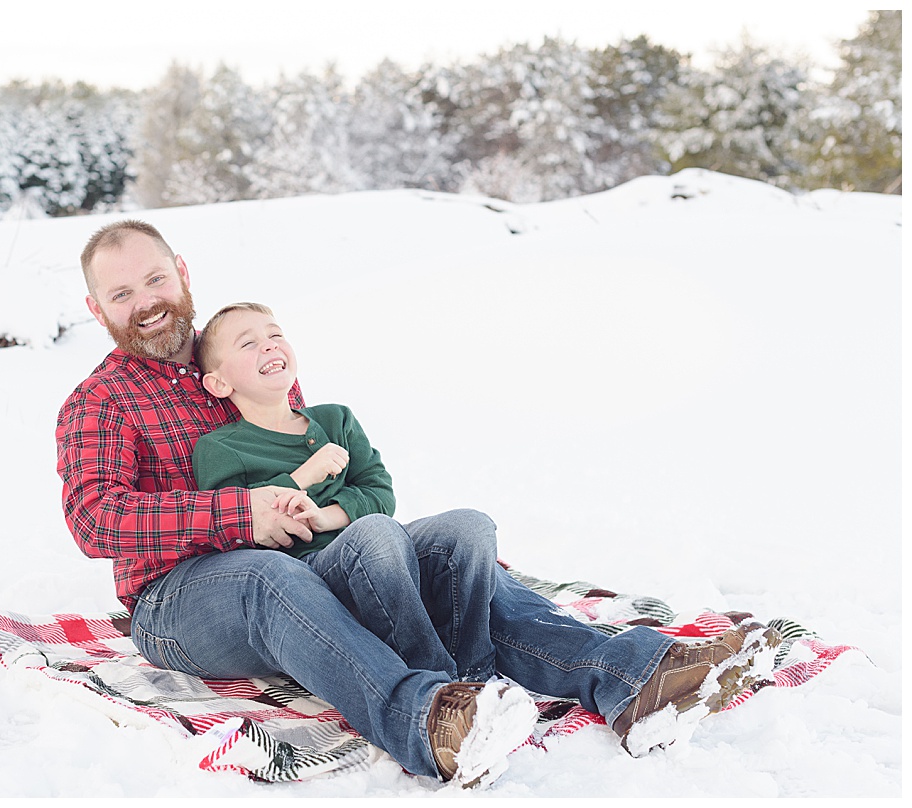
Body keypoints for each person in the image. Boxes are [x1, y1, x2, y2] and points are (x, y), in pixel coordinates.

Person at [55, 219, 781, 785]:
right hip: (184, 601)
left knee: (446, 546)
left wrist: (359, 533)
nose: (145, 301)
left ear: (181, 273)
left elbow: (340, 485)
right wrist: (241, 517)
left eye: (155, 278)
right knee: (260, 574)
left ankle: (632, 677)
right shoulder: (102, 402)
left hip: (305, 566)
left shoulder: (241, 356)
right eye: (122, 294)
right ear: (97, 309)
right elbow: (94, 517)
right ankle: (429, 718)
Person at [191, 301, 394, 560]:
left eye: (275, 335)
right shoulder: (220, 449)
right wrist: (304, 475)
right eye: (248, 343)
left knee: (458, 525)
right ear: (219, 383)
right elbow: (236, 527)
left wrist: (324, 518)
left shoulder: (337, 419)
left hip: (379, 545)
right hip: (304, 567)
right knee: (378, 534)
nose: (270, 344)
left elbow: (381, 494)